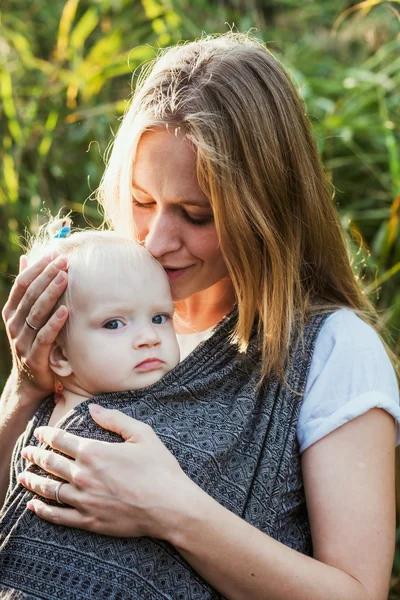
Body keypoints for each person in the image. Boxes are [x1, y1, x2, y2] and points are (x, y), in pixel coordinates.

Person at [1, 31, 399, 600]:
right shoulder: (96, 313)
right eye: (141, 202)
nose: (158, 241)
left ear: (266, 210)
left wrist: (170, 510)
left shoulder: (330, 350)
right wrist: (26, 386)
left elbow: (356, 593)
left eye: (195, 214)